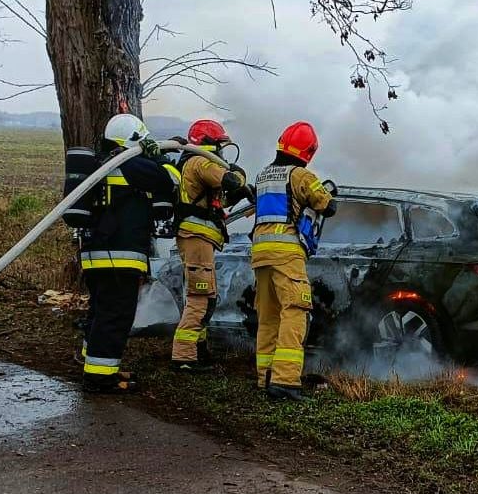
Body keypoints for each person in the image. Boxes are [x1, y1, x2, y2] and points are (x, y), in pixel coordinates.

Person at [80, 113, 179, 393]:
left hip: (94, 253)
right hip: (119, 254)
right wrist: (157, 156)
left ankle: (94, 364)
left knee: (100, 312)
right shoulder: (130, 164)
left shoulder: (101, 164)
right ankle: (101, 377)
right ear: (136, 140)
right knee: (115, 315)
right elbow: (172, 180)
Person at [251, 121, 337, 400]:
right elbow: (328, 206)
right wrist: (325, 193)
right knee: (295, 311)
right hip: (287, 252)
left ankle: (265, 378)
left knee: (268, 316)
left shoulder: (263, 175)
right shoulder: (301, 175)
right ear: (308, 151)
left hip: (260, 253)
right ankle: (286, 381)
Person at [170, 118, 250, 371]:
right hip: (196, 239)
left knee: (206, 297)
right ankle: (184, 358)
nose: (222, 150)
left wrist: (239, 196)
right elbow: (231, 181)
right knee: (200, 297)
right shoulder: (199, 162)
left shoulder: (195, 166)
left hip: (200, 240)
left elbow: (218, 202)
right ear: (207, 143)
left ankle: (198, 350)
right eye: (219, 144)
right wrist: (239, 174)